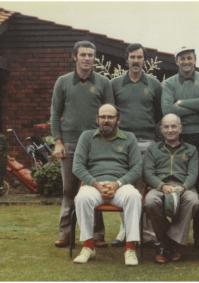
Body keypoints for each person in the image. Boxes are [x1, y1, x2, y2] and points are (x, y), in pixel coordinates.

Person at [50, 40, 114, 248]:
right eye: (83, 54)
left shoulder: (104, 83)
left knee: (94, 189)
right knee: (69, 189)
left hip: (96, 144)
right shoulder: (63, 82)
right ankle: (65, 233)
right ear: (74, 57)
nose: (87, 58)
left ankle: (97, 234)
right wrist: (58, 141)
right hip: (69, 143)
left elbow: (110, 114)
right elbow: (55, 113)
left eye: (90, 55)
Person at [72, 104, 142, 265]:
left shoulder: (129, 137)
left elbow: (137, 168)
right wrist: (95, 184)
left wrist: (117, 184)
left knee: (133, 196)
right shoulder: (87, 137)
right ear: (97, 119)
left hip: (120, 185)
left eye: (110, 117)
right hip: (94, 185)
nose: (106, 120)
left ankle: (130, 248)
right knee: (82, 197)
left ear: (118, 120)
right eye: (103, 117)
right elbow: (77, 166)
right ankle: (89, 246)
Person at [161, 46, 199, 247]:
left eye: (189, 58)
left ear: (195, 59)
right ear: (177, 61)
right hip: (179, 139)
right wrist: (195, 105)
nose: (186, 62)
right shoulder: (168, 83)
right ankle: (175, 238)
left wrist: (181, 103)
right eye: (182, 58)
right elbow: (167, 110)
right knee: (181, 186)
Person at [111, 43, 162, 247]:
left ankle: (148, 233)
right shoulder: (114, 84)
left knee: (146, 188)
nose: (136, 61)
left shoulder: (154, 85)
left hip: (148, 142)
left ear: (144, 60)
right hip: (122, 143)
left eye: (139, 57)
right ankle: (125, 230)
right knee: (125, 186)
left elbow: (159, 115)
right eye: (132, 57)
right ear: (127, 59)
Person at [143, 113, 199, 264]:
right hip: (160, 186)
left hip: (184, 187)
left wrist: (184, 187)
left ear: (180, 128)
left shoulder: (192, 150)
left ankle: (172, 244)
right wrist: (161, 186)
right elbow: (148, 172)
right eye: (166, 127)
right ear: (161, 129)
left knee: (193, 201)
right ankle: (164, 241)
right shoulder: (152, 149)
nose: (170, 130)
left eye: (174, 126)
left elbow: (193, 173)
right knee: (150, 201)